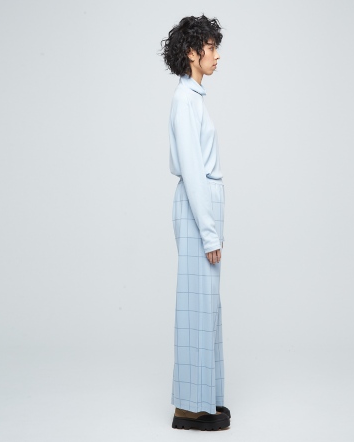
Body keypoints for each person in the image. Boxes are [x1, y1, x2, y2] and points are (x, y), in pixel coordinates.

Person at [160, 15, 231, 431]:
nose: (216, 55)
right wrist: (208, 233)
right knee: (196, 306)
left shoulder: (194, 98)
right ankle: (189, 409)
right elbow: (191, 170)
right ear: (192, 52)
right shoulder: (184, 101)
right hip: (196, 203)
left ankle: (204, 398)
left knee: (207, 305)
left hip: (203, 201)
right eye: (210, 47)